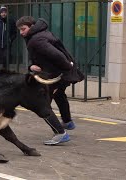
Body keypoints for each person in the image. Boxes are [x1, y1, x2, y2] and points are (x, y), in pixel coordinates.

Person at [16, 16, 84, 145]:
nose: (21, 33)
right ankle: (67, 122)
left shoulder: (36, 40)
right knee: (59, 94)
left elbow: (57, 55)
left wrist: (65, 69)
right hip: (59, 74)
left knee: (42, 105)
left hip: (55, 76)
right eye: (20, 30)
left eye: (23, 29)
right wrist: (32, 66)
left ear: (31, 26)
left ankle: (60, 133)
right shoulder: (42, 33)